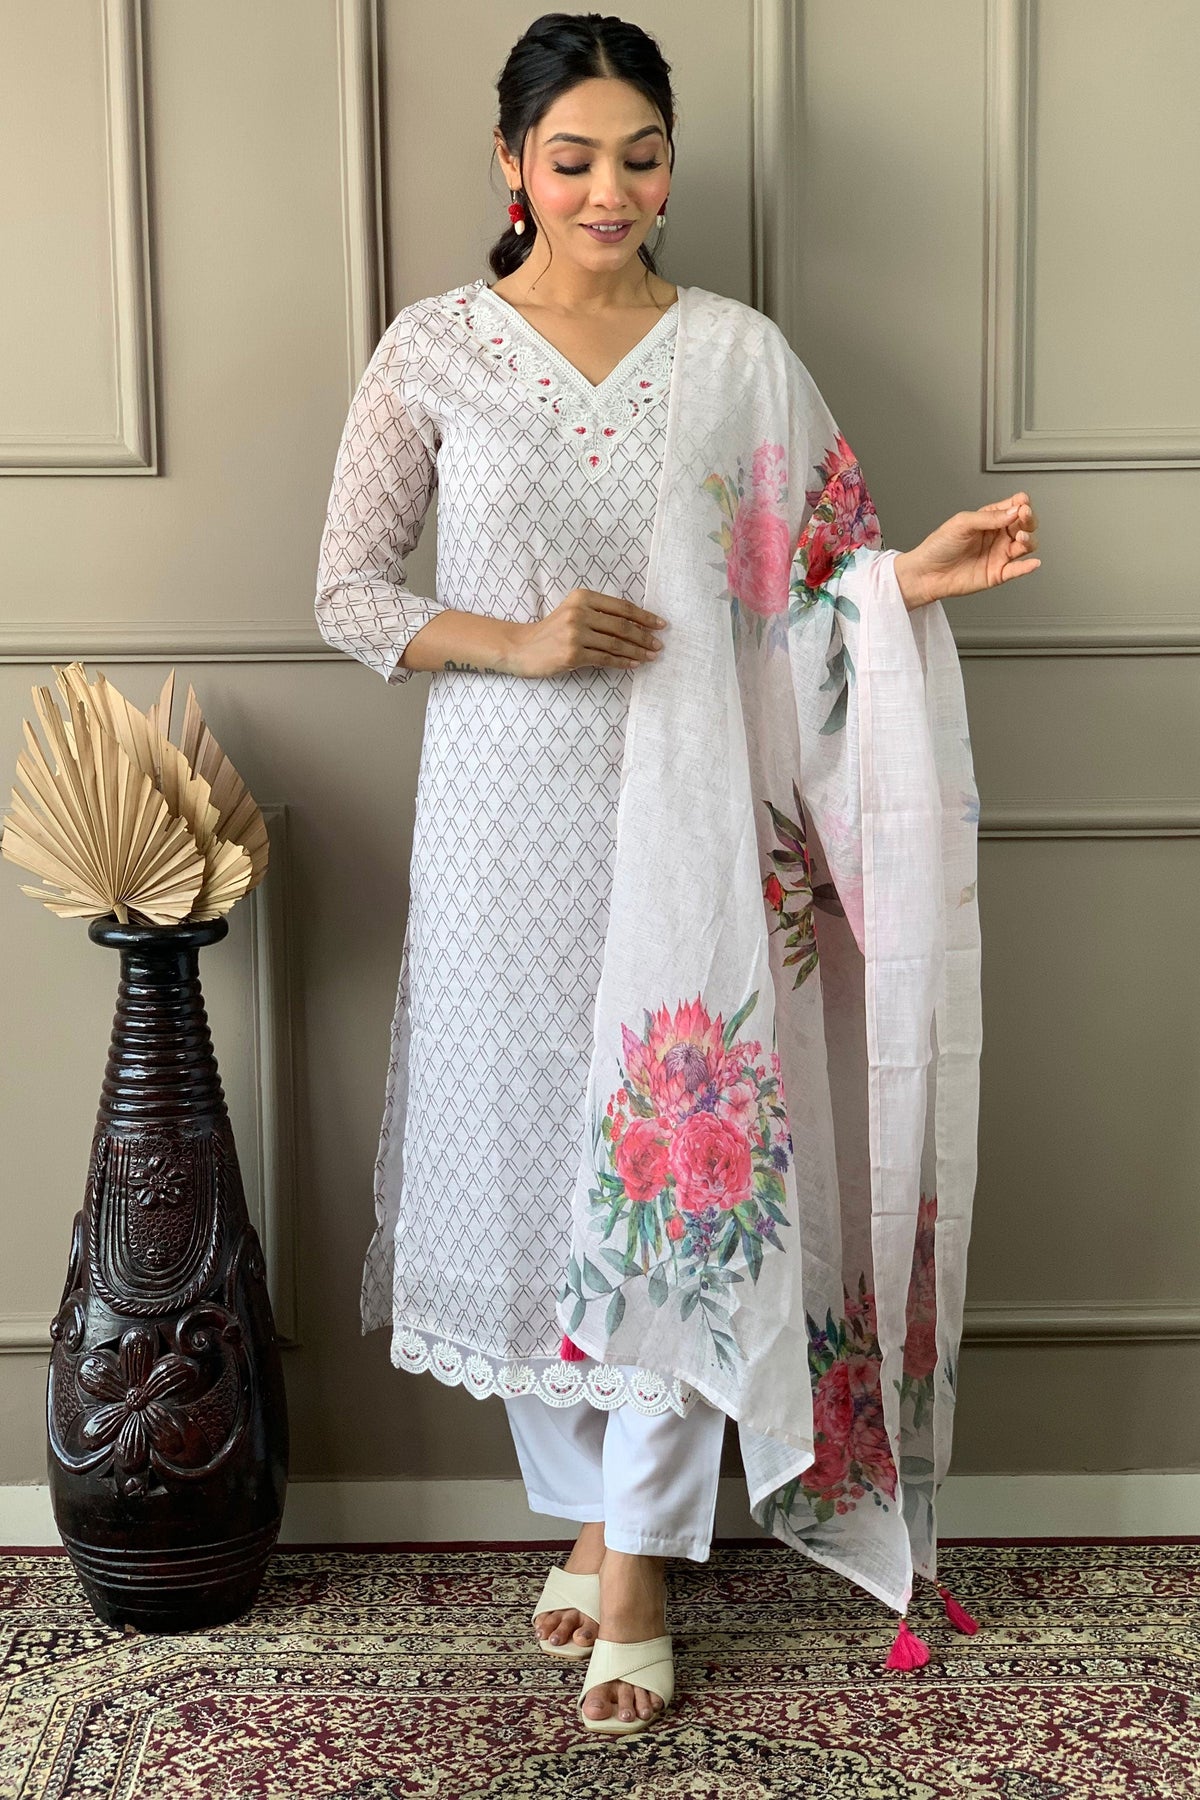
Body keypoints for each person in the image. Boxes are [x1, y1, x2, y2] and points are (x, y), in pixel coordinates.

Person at [314, 12, 1039, 1738]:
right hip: (502, 825)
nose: (609, 189)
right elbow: (346, 592)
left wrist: (911, 582)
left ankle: (638, 1560)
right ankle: (592, 1510)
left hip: (695, 823)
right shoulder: (434, 351)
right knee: (526, 1179)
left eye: (640, 157)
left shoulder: (736, 357)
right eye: (572, 158)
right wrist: (517, 638)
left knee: (679, 1170)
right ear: (511, 163)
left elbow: (811, 593)